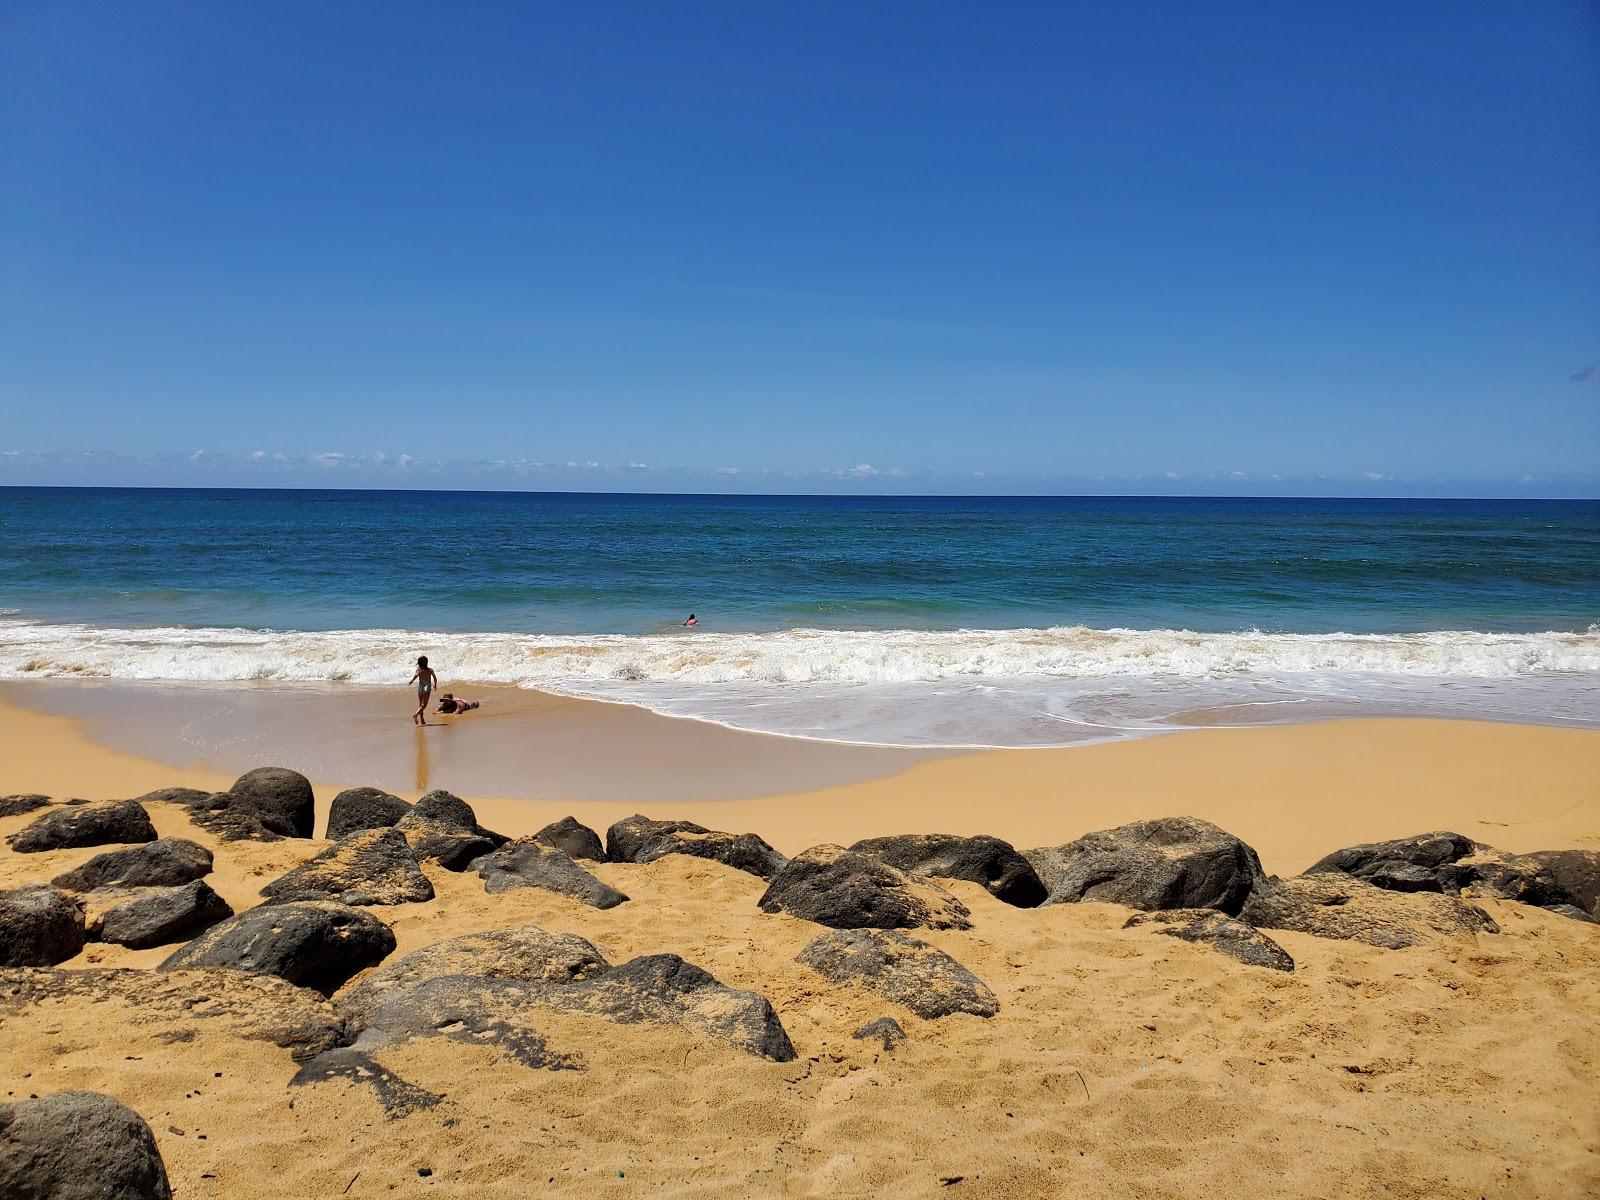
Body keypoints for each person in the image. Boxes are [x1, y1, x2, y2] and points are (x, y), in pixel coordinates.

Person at [408, 655, 438, 725]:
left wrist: (412, 681)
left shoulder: (419, 669)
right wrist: (435, 684)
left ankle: (422, 719)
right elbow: (435, 678)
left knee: (421, 704)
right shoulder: (430, 670)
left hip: (420, 688)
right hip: (426, 687)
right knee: (424, 705)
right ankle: (416, 714)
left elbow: (416, 675)